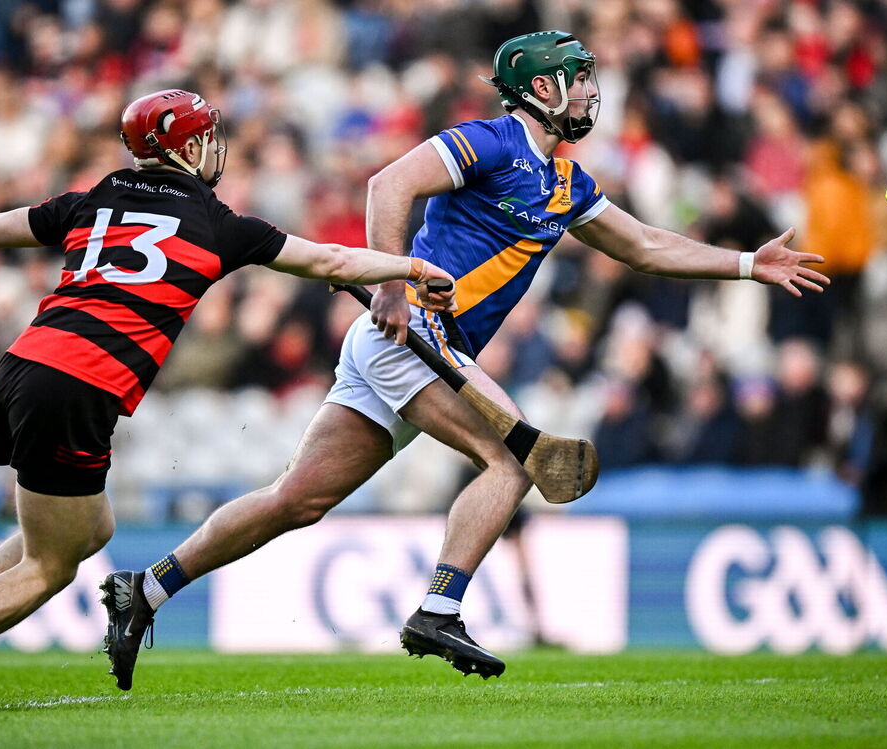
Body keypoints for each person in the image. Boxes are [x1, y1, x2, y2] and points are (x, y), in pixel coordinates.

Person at [91, 30, 829, 688]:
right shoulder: (489, 143)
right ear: (541, 89)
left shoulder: (566, 183)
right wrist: (388, 278)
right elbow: (390, 183)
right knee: (514, 460)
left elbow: (645, 246)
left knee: (297, 500)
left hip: (420, 351)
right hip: (412, 338)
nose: (591, 92)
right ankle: (438, 607)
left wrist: (744, 264)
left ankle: (145, 589)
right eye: (578, 77)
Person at [0, 88, 457, 712]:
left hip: (22, 366)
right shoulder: (217, 224)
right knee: (52, 564)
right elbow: (330, 258)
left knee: (93, 527)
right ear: (192, 145)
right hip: (79, 384)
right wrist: (411, 270)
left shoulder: (94, 198)